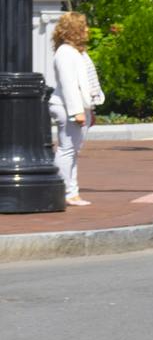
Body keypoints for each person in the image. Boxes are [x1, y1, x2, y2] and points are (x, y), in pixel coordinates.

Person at [46, 12, 105, 208]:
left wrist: (90, 110)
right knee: (67, 150)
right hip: (67, 106)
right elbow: (69, 84)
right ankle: (63, 191)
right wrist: (77, 111)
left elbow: (86, 83)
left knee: (73, 151)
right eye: (83, 26)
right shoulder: (65, 52)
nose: (87, 29)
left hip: (78, 107)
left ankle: (71, 192)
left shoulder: (77, 51)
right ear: (74, 29)